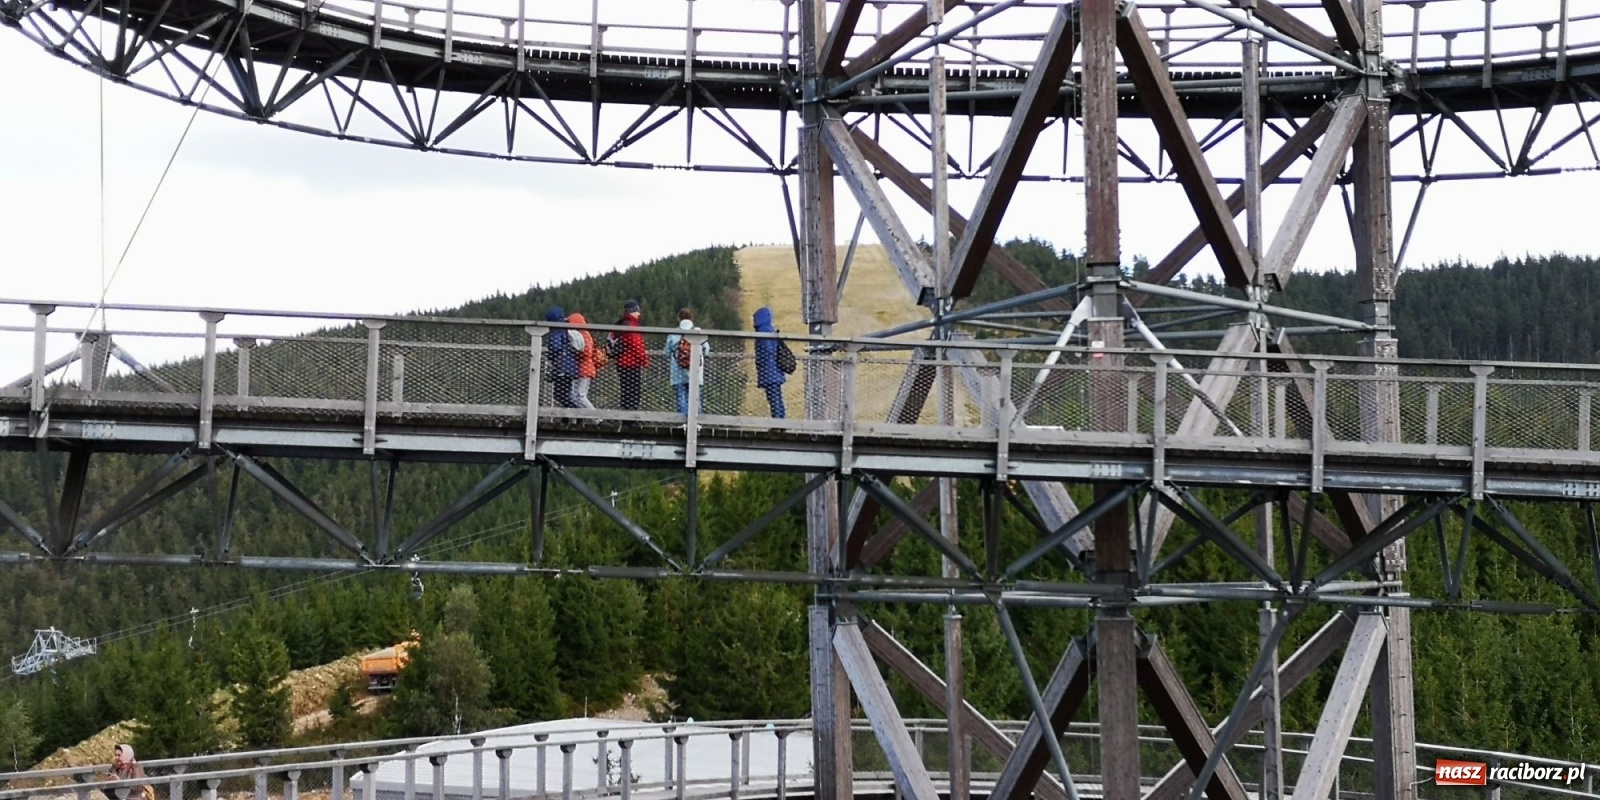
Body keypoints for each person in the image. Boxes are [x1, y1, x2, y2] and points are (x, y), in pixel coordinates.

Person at [664, 308, 710, 415]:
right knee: (695, 398)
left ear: (678, 318)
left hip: (677, 372)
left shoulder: (673, 333)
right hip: (695, 372)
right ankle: (696, 422)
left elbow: (667, 352)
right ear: (692, 318)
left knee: (681, 397)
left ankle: (682, 422)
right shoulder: (697, 331)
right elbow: (706, 350)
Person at [610, 300, 649, 410]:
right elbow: (636, 345)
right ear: (633, 311)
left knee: (626, 392)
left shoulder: (621, 323)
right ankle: (631, 418)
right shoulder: (632, 325)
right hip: (631, 363)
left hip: (621, 362)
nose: (639, 314)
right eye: (637, 311)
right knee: (634, 392)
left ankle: (626, 416)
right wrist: (644, 361)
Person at [752, 306, 786, 418]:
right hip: (776, 370)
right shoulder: (770, 329)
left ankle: (777, 423)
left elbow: (767, 350)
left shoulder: (762, 331)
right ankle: (781, 421)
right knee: (777, 397)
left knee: (773, 398)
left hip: (769, 371)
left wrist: (760, 362)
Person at [544, 306, 579, 409]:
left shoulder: (556, 329)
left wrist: (550, 355)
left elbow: (555, 346)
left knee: (559, 395)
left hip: (561, 366)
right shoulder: (565, 327)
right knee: (565, 394)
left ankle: (576, 412)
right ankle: (568, 418)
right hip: (570, 366)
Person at [567, 311, 598, 409]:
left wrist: (576, 351)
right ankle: (577, 419)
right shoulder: (584, 334)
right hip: (581, 369)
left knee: (580, 396)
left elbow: (587, 352)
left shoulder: (583, 334)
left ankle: (597, 418)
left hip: (585, 369)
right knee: (575, 397)